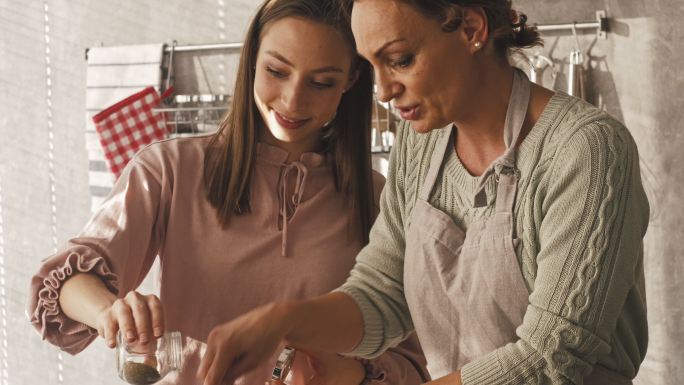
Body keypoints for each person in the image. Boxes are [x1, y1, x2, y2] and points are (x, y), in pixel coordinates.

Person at [195, 0, 650, 384]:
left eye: (400, 60)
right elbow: (382, 291)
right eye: (371, 66)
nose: (383, 91)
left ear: (471, 30)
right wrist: (282, 322)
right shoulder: (422, 140)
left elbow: (552, 357)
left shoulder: (585, 150)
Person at [26, 0, 429, 384]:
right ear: (252, 58)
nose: (293, 99)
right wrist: (112, 312)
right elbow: (60, 283)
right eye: (276, 71)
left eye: (321, 82)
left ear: (351, 81)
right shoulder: (169, 170)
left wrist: (341, 374)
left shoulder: (380, 201)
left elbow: (411, 362)